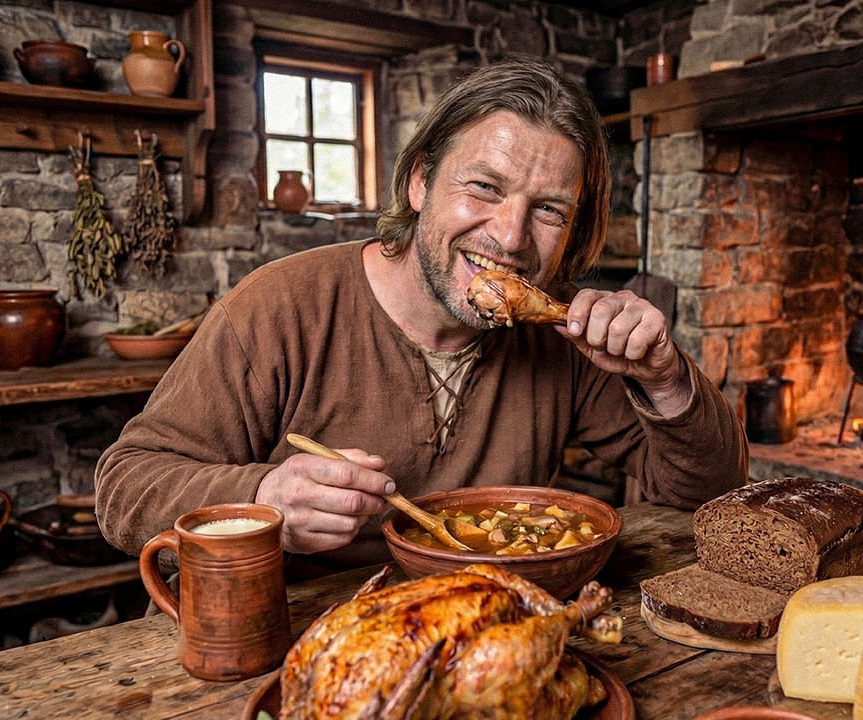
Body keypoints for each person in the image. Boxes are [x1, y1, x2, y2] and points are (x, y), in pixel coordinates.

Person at [94, 59, 747, 573]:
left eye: (548, 209)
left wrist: (665, 380)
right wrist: (263, 501)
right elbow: (124, 486)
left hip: (475, 641)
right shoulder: (280, 306)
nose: (512, 237)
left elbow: (707, 499)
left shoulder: (563, 343)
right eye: (484, 187)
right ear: (419, 182)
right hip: (281, 648)